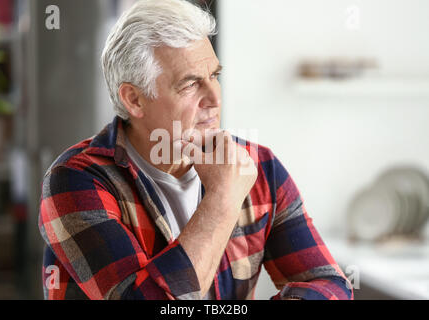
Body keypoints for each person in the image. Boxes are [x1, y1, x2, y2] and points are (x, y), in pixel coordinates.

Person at [38, 0, 353, 300]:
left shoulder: (260, 166)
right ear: (134, 100)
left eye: (214, 76)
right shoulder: (75, 180)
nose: (215, 98)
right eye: (189, 84)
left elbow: (329, 283)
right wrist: (223, 197)